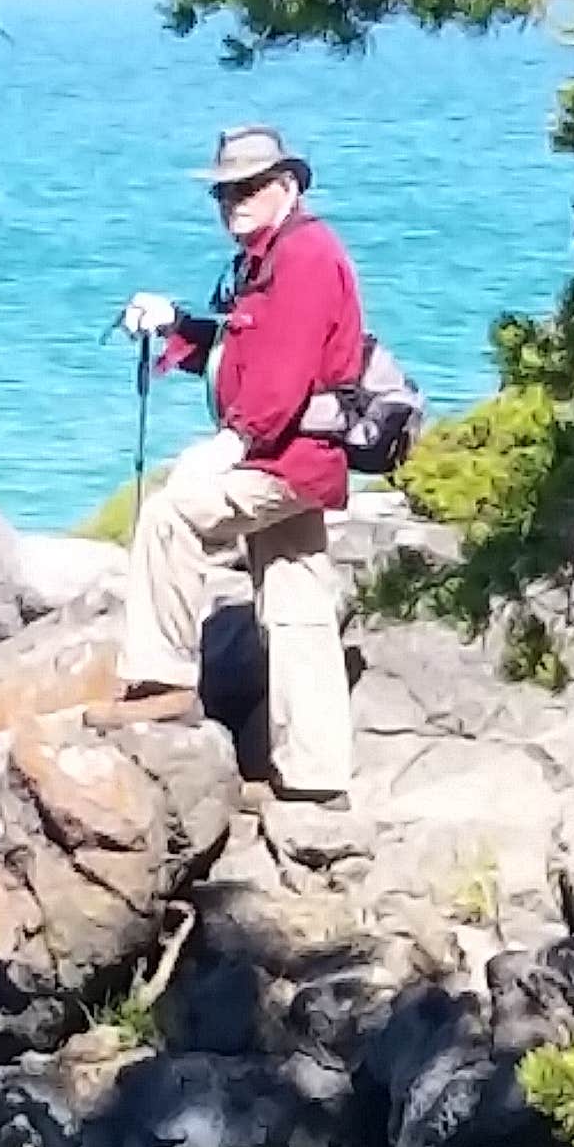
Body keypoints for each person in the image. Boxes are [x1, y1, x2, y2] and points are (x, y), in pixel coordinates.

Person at [114, 125, 368, 801]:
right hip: (295, 459)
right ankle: (316, 774)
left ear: (287, 187)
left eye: (249, 188)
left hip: (284, 461)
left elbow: (281, 378)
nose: (233, 201)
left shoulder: (304, 258)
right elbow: (243, 351)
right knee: (298, 607)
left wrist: (230, 445)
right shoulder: (269, 259)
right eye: (225, 191)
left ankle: (161, 680)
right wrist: (177, 326)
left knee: (170, 515)